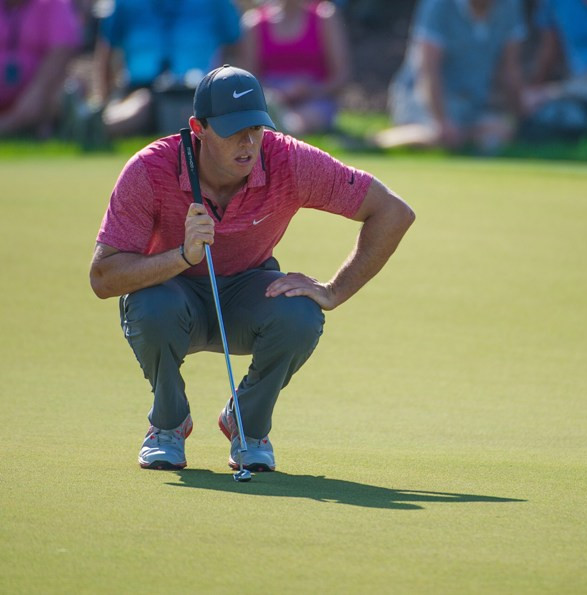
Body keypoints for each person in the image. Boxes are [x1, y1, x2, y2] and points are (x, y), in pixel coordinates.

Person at [89, 65, 415, 472]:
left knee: (300, 312)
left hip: (247, 293)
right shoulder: (150, 169)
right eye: (232, 131)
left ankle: (248, 425)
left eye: (256, 129)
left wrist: (335, 290)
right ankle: (168, 425)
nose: (247, 143)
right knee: (151, 308)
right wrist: (183, 256)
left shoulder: (289, 160)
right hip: (171, 295)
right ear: (199, 128)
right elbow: (103, 277)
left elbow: (393, 212)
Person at [373, 0, 526, 152]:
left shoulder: (510, 5)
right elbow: (428, 71)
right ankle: (380, 140)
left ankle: (460, 134)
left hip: (470, 104)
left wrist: (523, 116)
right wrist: (442, 121)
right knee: (439, 136)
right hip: (420, 98)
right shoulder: (438, 5)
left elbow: (510, 70)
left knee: (504, 131)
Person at [93, 0, 241, 138]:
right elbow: (106, 50)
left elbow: (238, 43)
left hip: (197, 91)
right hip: (142, 90)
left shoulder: (216, 3)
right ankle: (92, 126)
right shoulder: (125, 3)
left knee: (199, 116)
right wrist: (106, 99)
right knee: (138, 110)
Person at [239, 0, 352, 135]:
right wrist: (276, 95)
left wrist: (310, 90)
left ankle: (281, 129)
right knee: (269, 109)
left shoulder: (324, 17)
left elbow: (341, 75)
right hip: (269, 98)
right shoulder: (254, 22)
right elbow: (248, 80)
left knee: (296, 122)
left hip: (314, 98)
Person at [0, 0, 82, 137]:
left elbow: (61, 51)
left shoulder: (54, 4)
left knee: (63, 94)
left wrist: (37, 92)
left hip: (39, 93)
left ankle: (46, 132)